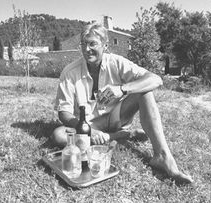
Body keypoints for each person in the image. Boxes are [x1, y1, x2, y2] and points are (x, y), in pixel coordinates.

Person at [52, 22, 193, 184]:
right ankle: (122, 135)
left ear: (105, 45)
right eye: (83, 44)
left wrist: (122, 89)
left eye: (92, 44)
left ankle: (162, 156)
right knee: (59, 135)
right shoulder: (70, 72)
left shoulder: (117, 62)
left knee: (144, 90)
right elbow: (63, 113)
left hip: (116, 117)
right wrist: (89, 130)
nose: (87, 49)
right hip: (85, 127)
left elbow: (155, 79)